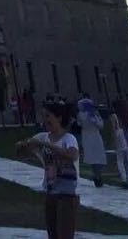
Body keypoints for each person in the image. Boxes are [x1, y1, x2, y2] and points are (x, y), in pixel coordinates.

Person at [17, 99, 80, 239]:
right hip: (50, 192)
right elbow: (20, 154)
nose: (45, 120)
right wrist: (22, 145)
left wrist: (45, 144)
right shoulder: (42, 137)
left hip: (67, 195)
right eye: (43, 116)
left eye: (48, 116)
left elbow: (72, 155)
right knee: (53, 235)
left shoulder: (68, 138)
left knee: (64, 235)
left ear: (58, 117)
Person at [76, 95, 106, 187]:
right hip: (95, 137)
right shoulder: (93, 114)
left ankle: (96, 174)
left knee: (92, 158)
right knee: (99, 157)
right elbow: (100, 125)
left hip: (86, 137)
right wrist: (97, 119)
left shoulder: (80, 115)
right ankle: (98, 175)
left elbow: (79, 124)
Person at [110, 99, 128, 190]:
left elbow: (114, 130)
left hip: (120, 141)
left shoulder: (114, 116)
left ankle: (124, 179)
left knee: (120, 160)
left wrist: (114, 142)